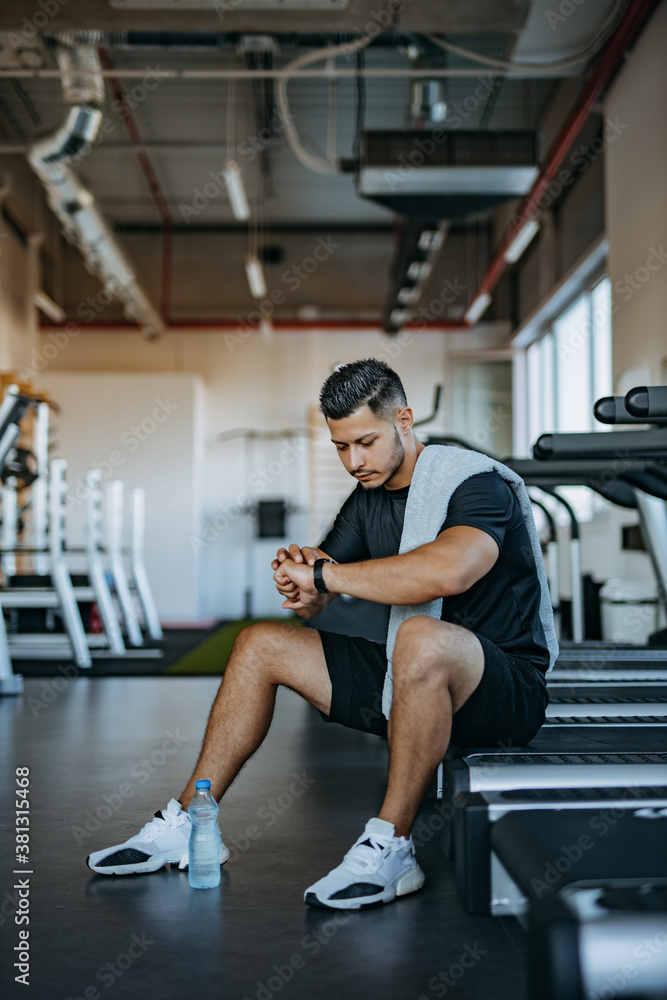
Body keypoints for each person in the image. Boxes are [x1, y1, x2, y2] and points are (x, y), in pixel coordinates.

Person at [87, 358, 551, 910]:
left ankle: (393, 845)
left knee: (421, 636)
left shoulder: (474, 485)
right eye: (340, 447)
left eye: (366, 442)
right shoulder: (366, 500)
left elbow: (448, 571)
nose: (354, 461)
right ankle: (188, 821)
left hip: (503, 689)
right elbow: (317, 593)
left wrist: (325, 575)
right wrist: (305, 587)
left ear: (404, 419)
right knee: (260, 644)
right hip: (406, 679)